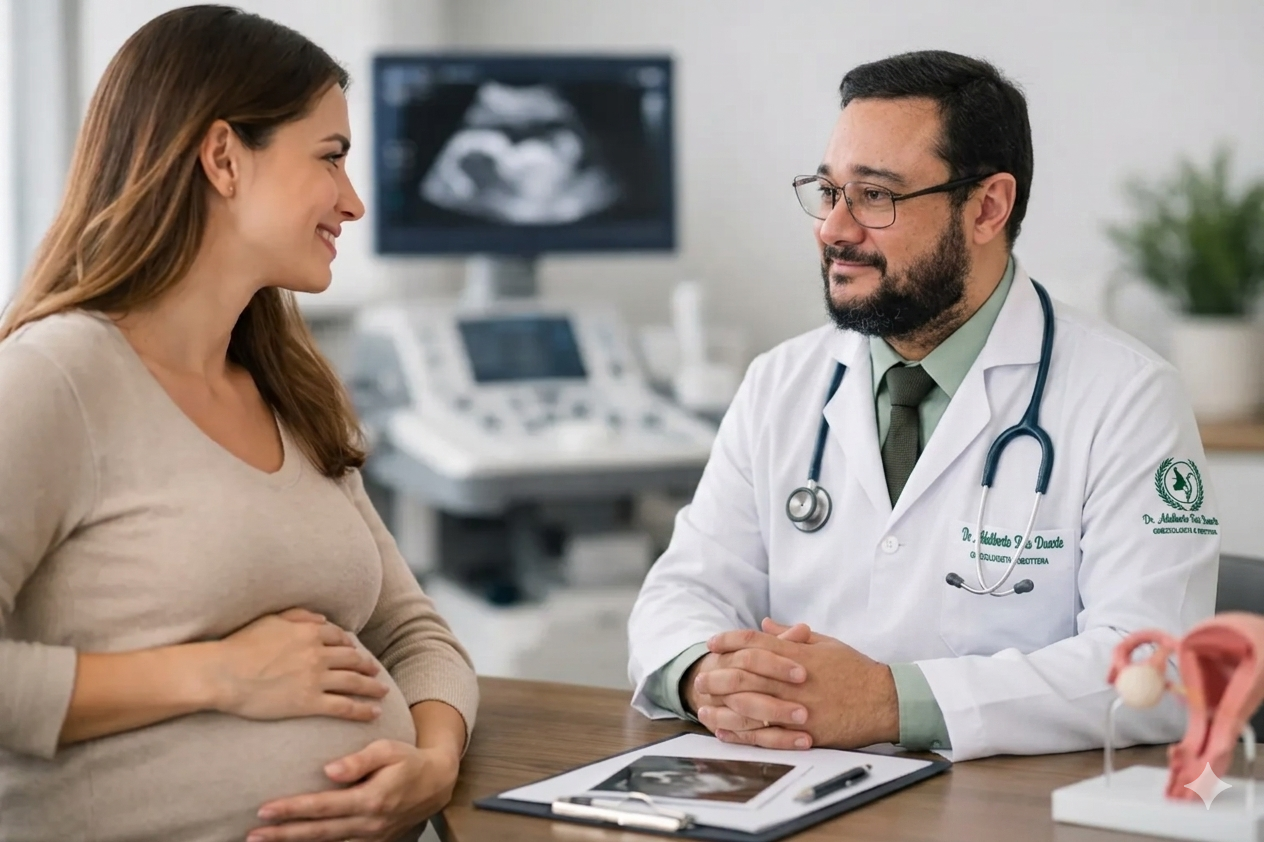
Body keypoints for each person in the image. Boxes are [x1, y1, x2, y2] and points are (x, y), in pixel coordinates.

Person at [627, 50, 1219, 762]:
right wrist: (704, 673)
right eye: (827, 190)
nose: (833, 229)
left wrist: (887, 701)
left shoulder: (1127, 397)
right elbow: (684, 589)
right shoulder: (780, 382)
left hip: (999, 811)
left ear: (987, 208)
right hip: (785, 788)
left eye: (876, 196)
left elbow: (1159, 666)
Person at [0, 7, 476, 841]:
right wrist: (214, 675)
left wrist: (431, 768)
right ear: (223, 156)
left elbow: (412, 631)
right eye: (331, 159)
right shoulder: (56, 380)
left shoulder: (288, 390)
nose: (354, 202)